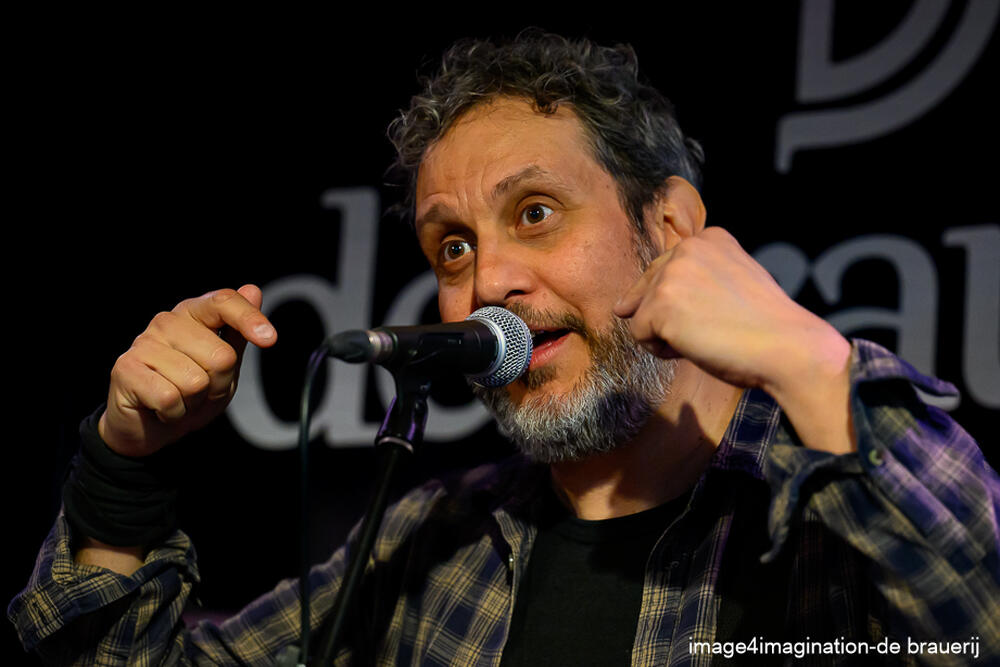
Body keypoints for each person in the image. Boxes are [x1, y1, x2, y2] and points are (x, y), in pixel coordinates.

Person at [10, 30, 1000, 665]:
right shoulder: (429, 542)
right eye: (453, 245)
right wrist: (123, 467)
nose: (486, 285)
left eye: (535, 212)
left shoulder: (826, 517)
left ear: (670, 226)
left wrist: (806, 358)